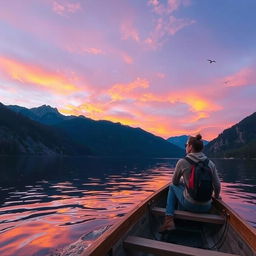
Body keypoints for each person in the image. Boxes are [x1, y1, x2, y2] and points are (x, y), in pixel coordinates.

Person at [159, 134, 221, 232]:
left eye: (186, 145)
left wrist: (182, 181)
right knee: (184, 188)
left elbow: (174, 182)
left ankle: (169, 220)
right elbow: (217, 185)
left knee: (171, 186)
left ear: (190, 147)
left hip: (190, 204)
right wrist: (216, 197)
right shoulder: (210, 163)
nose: (185, 147)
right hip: (207, 206)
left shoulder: (182, 162)